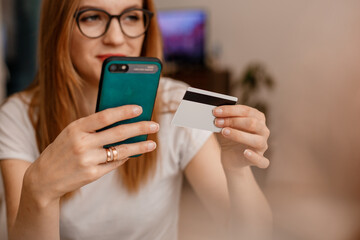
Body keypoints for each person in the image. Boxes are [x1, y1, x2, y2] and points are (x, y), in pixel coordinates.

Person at [0, 0, 271, 239]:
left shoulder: (175, 103)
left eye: (131, 16)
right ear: (59, 28)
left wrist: (237, 171)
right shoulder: (17, 117)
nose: (116, 38)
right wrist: (39, 192)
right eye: (92, 17)